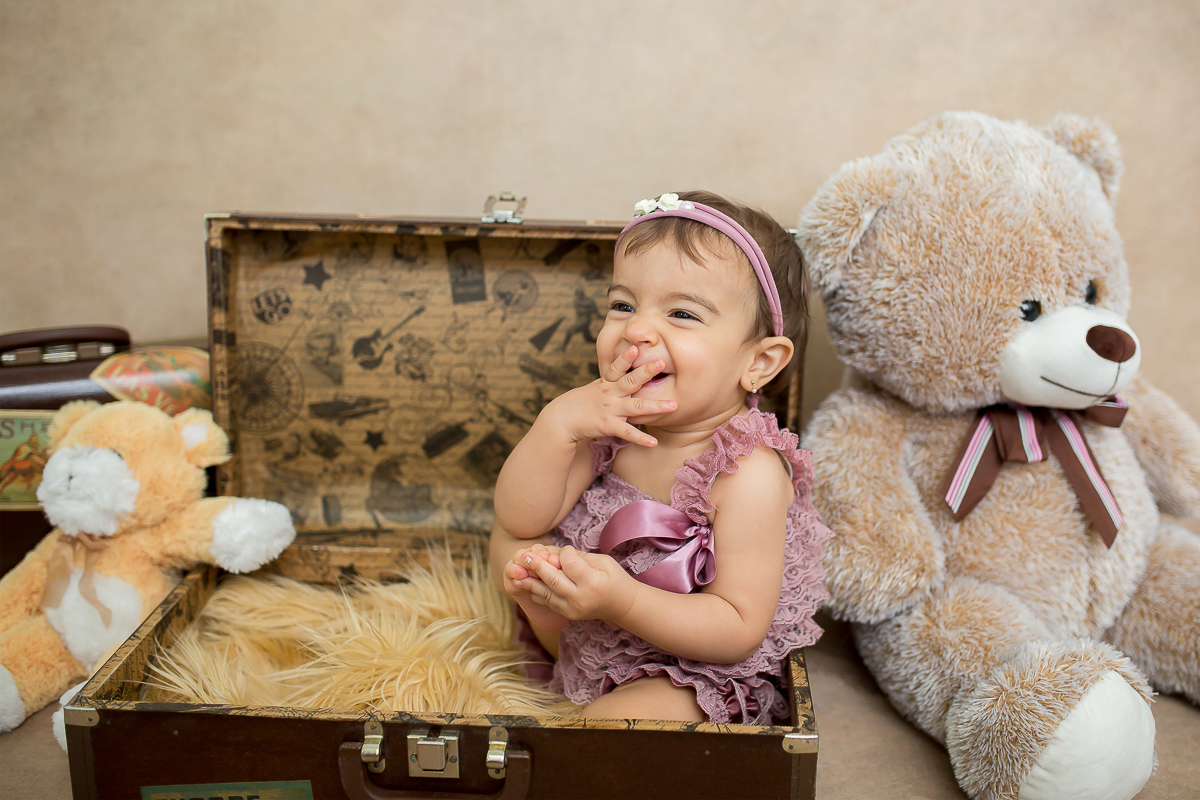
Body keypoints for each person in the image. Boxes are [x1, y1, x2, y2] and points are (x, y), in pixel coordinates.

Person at [489, 190, 831, 724]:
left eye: (682, 313)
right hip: (594, 629)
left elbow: (737, 627)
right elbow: (521, 515)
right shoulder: (611, 423)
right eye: (623, 305)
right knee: (511, 540)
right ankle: (554, 637)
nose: (637, 329)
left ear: (760, 363)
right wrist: (555, 424)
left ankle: (595, 709)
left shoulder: (748, 472)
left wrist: (621, 601)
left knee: (612, 728)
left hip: (693, 669)